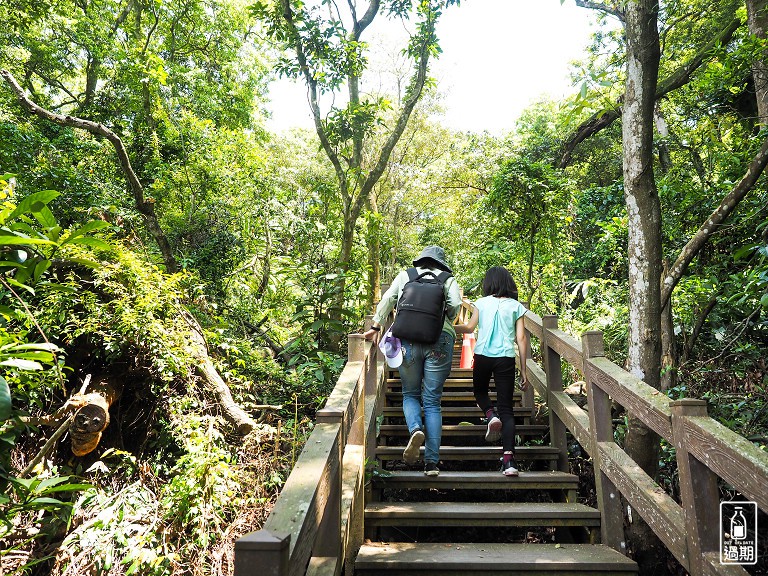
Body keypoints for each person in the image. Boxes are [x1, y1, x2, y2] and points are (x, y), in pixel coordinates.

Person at [363, 246, 462, 477]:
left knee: (410, 394)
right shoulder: (448, 279)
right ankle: (431, 464)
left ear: (421, 260)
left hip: (407, 340)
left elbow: (388, 299)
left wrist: (376, 325)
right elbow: (456, 306)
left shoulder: (406, 275)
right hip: (440, 340)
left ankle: (415, 428)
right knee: (432, 402)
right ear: (441, 263)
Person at [455, 266, 529, 477]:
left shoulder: (481, 303)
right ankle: (509, 462)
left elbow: (469, 328)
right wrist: (523, 370)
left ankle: (489, 414)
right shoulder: (516, 307)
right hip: (505, 358)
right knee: (507, 409)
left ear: (489, 283)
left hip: (483, 356)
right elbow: (521, 339)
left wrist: (447, 327)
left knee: (479, 392)